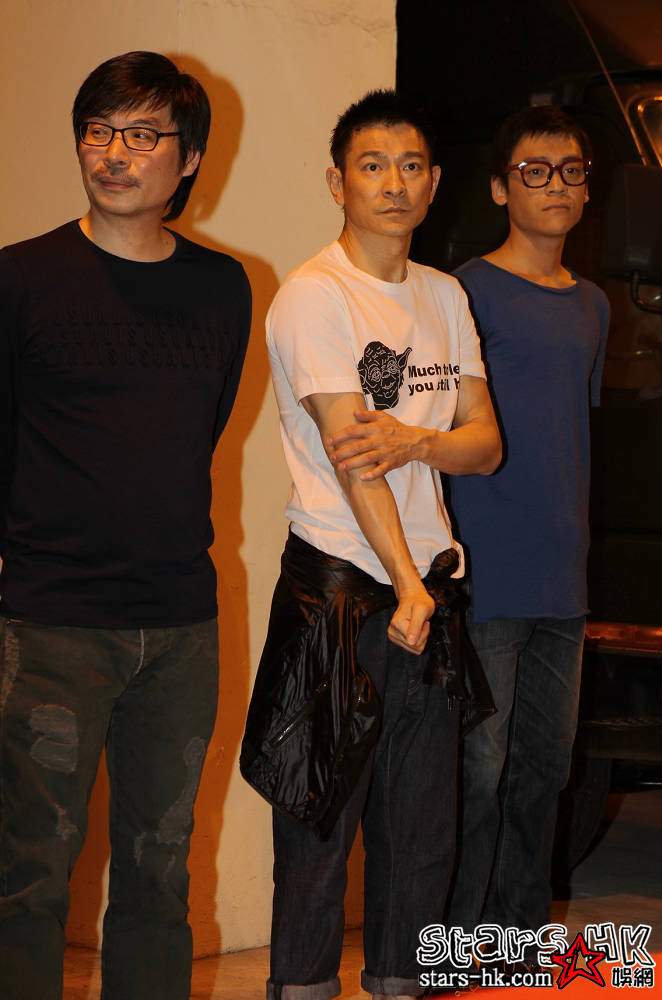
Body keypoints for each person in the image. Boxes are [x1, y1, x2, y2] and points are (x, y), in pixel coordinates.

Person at [330, 104, 609, 961]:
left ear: (588, 189)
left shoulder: (594, 306)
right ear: (497, 188)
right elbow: (433, 430)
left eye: (571, 171)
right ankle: (454, 954)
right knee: (476, 773)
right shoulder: (462, 293)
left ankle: (518, 949)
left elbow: (567, 437)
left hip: (563, 578)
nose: (555, 186)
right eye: (534, 171)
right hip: (481, 573)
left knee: (545, 771)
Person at [0, 51, 251, 1000]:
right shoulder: (20, 278)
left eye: (143, 135)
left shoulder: (224, 288)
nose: (114, 153)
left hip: (180, 626)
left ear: (189, 159)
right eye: (99, 130)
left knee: (160, 871)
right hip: (51, 622)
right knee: (28, 872)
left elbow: (201, 429)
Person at [246, 89, 500, 1000]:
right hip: (339, 590)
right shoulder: (313, 297)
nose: (393, 183)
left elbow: (484, 444)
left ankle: (403, 984)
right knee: (319, 822)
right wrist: (407, 585)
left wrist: (418, 443)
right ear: (337, 183)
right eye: (372, 165)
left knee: (422, 829)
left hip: (428, 588)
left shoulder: (444, 293)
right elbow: (355, 459)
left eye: (410, 166)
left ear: (433, 184)